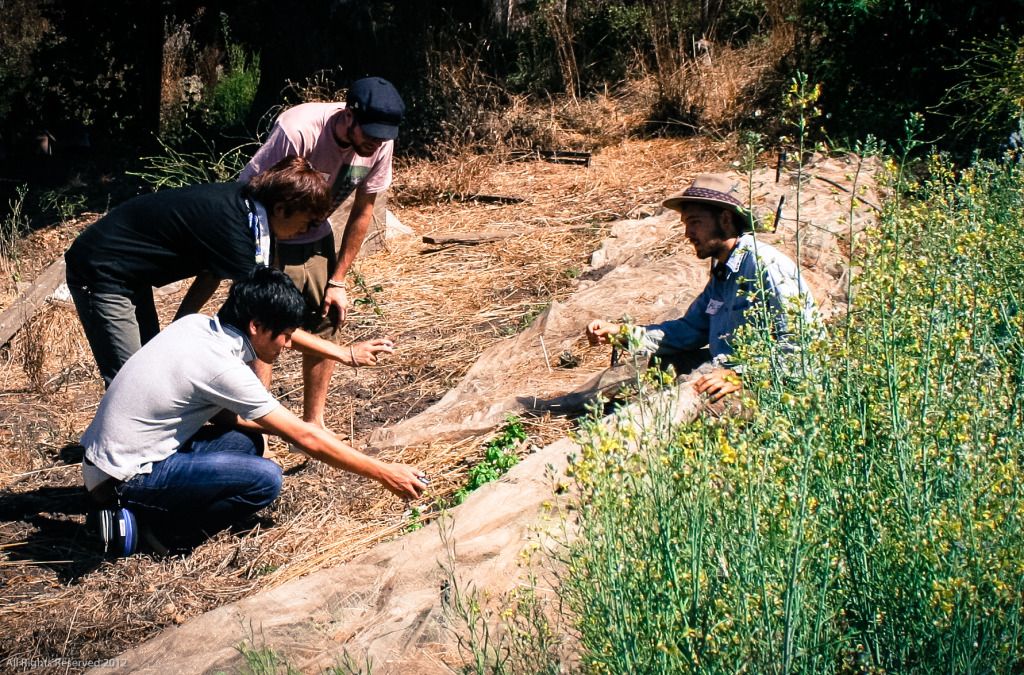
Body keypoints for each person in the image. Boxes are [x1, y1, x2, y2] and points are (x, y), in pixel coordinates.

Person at [82, 266, 427, 556]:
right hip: (123, 479)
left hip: (105, 462)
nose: (288, 344)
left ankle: (154, 511)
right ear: (256, 326)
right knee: (265, 479)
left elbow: (221, 416)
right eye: (285, 335)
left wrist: (283, 425)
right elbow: (307, 438)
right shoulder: (222, 367)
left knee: (246, 442)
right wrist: (385, 473)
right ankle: (160, 529)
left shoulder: (197, 326)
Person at [185, 76, 405, 430]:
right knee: (265, 324)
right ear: (349, 114)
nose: (376, 142)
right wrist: (261, 253)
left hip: (315, 236)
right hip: (270, 234)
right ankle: (260, 424)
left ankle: (314, 424)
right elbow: (250, 192)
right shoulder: (299, 129)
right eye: (371, 134)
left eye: (383, 136)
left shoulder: (379, 143)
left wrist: (338, 280)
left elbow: (363, 211)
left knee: (327, 319)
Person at [65, 156, 331, 387]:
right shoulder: (237, 227)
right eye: (307, 222)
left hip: (131, 275)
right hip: (101, 270)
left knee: (152, 364)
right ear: (281, 209)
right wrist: (341, 353)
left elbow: (210, 273)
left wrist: (177, 327)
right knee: (132, 380)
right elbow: (265, 317)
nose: (306, 231)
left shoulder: (245, 210)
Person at [586, 173, 819, 402]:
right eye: (686, 224)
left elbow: (801, 343)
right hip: (728, 369)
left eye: (695, 222)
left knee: (694, 397)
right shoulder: (723, 270)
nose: (688, 233)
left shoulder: (764, 265)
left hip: (774, 387)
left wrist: (740, 375)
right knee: (659, 364)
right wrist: (623, 333)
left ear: (725, 220)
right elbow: (689, 330)